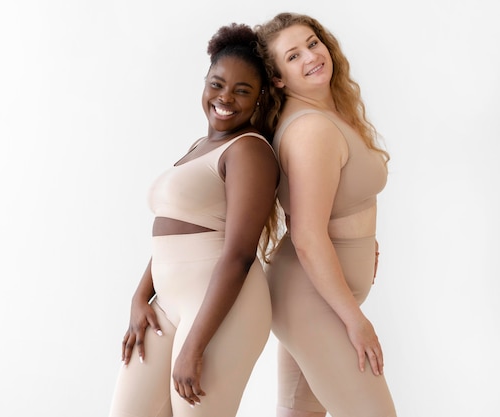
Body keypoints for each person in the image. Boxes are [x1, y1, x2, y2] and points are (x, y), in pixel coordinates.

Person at [108, 23, 280, 417]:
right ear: (204, 83)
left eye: (242, 91)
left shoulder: (249, 151)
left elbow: (239, 254)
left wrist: (194, 346)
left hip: (222, 309)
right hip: (166, 304)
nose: (225, 98)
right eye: (217, 85)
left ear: (258, 100)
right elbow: (175, 234)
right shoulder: (200, 147)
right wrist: (139, 296)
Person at [254, 12, 397, 417]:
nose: (311, 57)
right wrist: (356, 321)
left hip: (316, 292)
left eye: (313, 43)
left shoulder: (328, 115)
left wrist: (363, 241)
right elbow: (307, 235)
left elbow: (337, 202)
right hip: (311, 299)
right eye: (293, 55)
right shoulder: (310, 130)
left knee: (299, 412)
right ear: (278, 77)